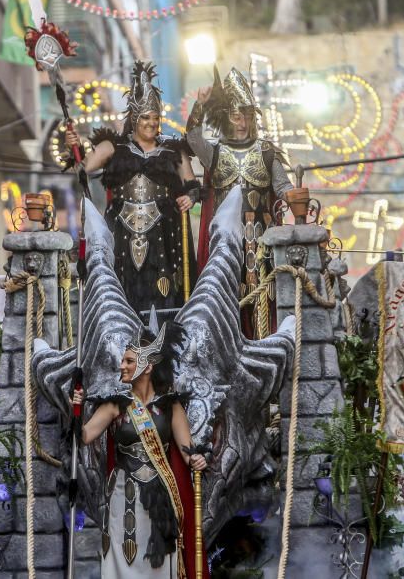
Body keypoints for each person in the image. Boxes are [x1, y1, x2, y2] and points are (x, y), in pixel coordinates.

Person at [70, 318, 208, 578]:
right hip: (124, 497)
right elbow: (85, 436)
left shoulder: (170, 406)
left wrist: (198, 460)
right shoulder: (115, 405)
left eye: (129, 361)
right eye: (124, 361)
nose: (122, 366)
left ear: (147, 365)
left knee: (157, 562)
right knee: (124, 560)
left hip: (162, 498)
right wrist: (75, 409)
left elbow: (188, 452)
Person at [65, 61, 200, 315]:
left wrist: (190, 198)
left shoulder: (173, 149)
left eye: (155, 118)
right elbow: (82, 168)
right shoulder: (112, 147)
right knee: (121, 291)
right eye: (145, 118)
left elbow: (192, 185)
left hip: (165, 232)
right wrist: (72, 146)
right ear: (134, 118)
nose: (151, 123)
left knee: (166, 293)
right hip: (122, 231)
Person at [186, 66, 293, 332]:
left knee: (264, 296)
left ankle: (264, 345)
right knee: (225, 295)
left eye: (246, 115)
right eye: (236, 116)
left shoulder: (267, 152)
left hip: (261, 239)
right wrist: (198, 107)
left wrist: (295, 197)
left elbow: (284, 189)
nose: (243, 122)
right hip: (225, 240)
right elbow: (192, 138)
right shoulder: (215, 153)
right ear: (226, 118)